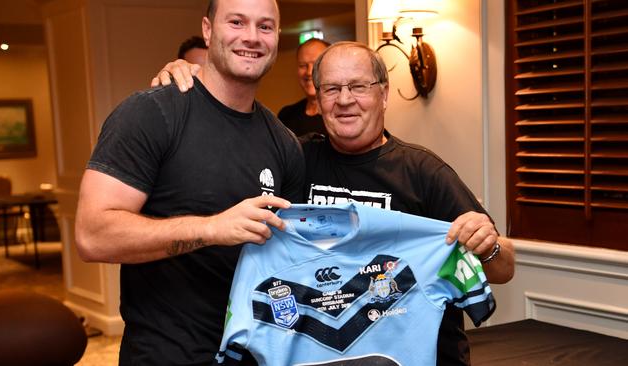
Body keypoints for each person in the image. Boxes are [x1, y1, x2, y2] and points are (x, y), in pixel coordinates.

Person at [154, 42, 515, 366]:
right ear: (318, 97)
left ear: (384, 94)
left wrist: (488, 246)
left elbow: (503, 270)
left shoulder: (424, 172)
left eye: (358, 86)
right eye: (331, 88)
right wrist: (194, 90)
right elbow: (230, 135)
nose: (345, 99)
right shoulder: (295, 159)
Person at [74, 0, 304, 365]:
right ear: (209, 30)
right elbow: (92, 235)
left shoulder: (284, 143)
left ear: (277, 37)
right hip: (165, 355)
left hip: (253, 355)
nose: (251, 37)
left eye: (265, 27)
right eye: (237, 22)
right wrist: (213, 228)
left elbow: (286, 259)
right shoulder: (151, 114)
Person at [277, 38, 329, 136]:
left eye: (316, 65)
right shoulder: (286, 115)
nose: (309, 72)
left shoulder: (342, 114)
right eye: (303, 65)